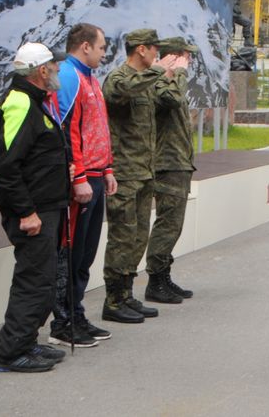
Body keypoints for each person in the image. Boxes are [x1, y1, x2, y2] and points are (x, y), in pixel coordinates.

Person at [0, 42, 71, 373]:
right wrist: (26, 212)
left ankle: (24, 342)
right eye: (53, 65)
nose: (57, 70)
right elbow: (8, 167)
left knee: (43, 280)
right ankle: (9, 354)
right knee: (33, 281)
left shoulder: (34, 101)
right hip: (33, 211)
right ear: (41, 71)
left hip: (45, 207)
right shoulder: (22, 104)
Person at [48, 23, 115, 348]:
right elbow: (68, 132)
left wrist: (107, 169)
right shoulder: (71, 78)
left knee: (86, 253)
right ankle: (63, 321)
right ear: (85, 46)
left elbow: (97, 127)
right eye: (101, 48)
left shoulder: (90, 78)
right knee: (71, 253)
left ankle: (76, 313)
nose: (104, 54)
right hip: (82, 179)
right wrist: (77, 177)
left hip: (96, 174)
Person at [100, 28, 163, 324]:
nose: (157, 55)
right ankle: (112, 300)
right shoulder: (119, 78)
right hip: (124, 172)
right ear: (141, 49)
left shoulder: (146, 83)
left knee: (138, 237)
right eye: (154, 49)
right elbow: (121, 93)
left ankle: (126, 294)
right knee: (122, 236)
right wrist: (161, 72)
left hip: (144, 170)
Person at [144, 37, 197, 304]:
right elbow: (173, 100)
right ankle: (155, 280)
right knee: (168, 224)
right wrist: (179, 72)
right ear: (173, 57)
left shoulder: (168, 82)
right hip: (166, 163)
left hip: (177, 162)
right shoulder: (159, 83)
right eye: (186, 57)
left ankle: (163, 275)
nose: (189, 62)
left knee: (173, 224)